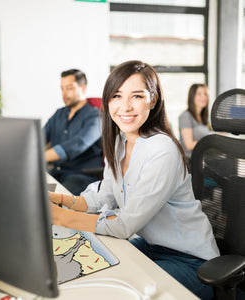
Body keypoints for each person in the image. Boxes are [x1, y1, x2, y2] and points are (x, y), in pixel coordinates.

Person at [49, 61, 220, 300]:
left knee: (119, 295)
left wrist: (57, 216)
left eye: (137, 96)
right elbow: (104, 196)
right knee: (91, 274)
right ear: (108, 100)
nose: (125, 106)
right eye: (117, 96)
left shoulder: (162, 149)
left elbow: (124, 225)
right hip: (151, 247)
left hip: (191, 261)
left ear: (153, 100)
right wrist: (56, 199)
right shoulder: (120, 141)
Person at [44, 69, 103, 195]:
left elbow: (78, 144)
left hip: (82, 176)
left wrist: (40, 156)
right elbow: (37, 138)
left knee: (54, 202)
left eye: (69, 88)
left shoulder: (95, 116)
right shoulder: (59, 114)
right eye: (62, 88)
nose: (64, 93)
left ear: (83, 88)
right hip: (57, 172)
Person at [179, 83, 211, 162]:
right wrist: (212, 141)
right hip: (190, 162)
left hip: (202, 159)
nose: (203, 97)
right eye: (199, 94)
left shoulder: (204, 118)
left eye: (205, 94)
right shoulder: (186, 116)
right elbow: (189, 145)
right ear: (192, 97)